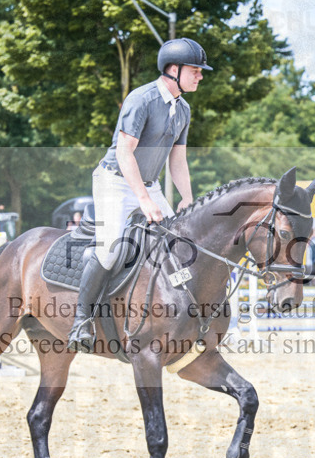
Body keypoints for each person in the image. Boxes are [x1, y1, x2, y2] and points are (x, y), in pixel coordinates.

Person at [67, 38, 210, 352]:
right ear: (174, 70)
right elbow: (124, 153)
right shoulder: (141, 99)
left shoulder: (183, 109)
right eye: (196, 70)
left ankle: (188, 317)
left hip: (150, 184)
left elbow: (178, 159)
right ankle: (81, 320)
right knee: (109, 251)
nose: (200, 76)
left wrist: (187, 197)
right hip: (115, 181)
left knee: (183, 246)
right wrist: (143, 200)